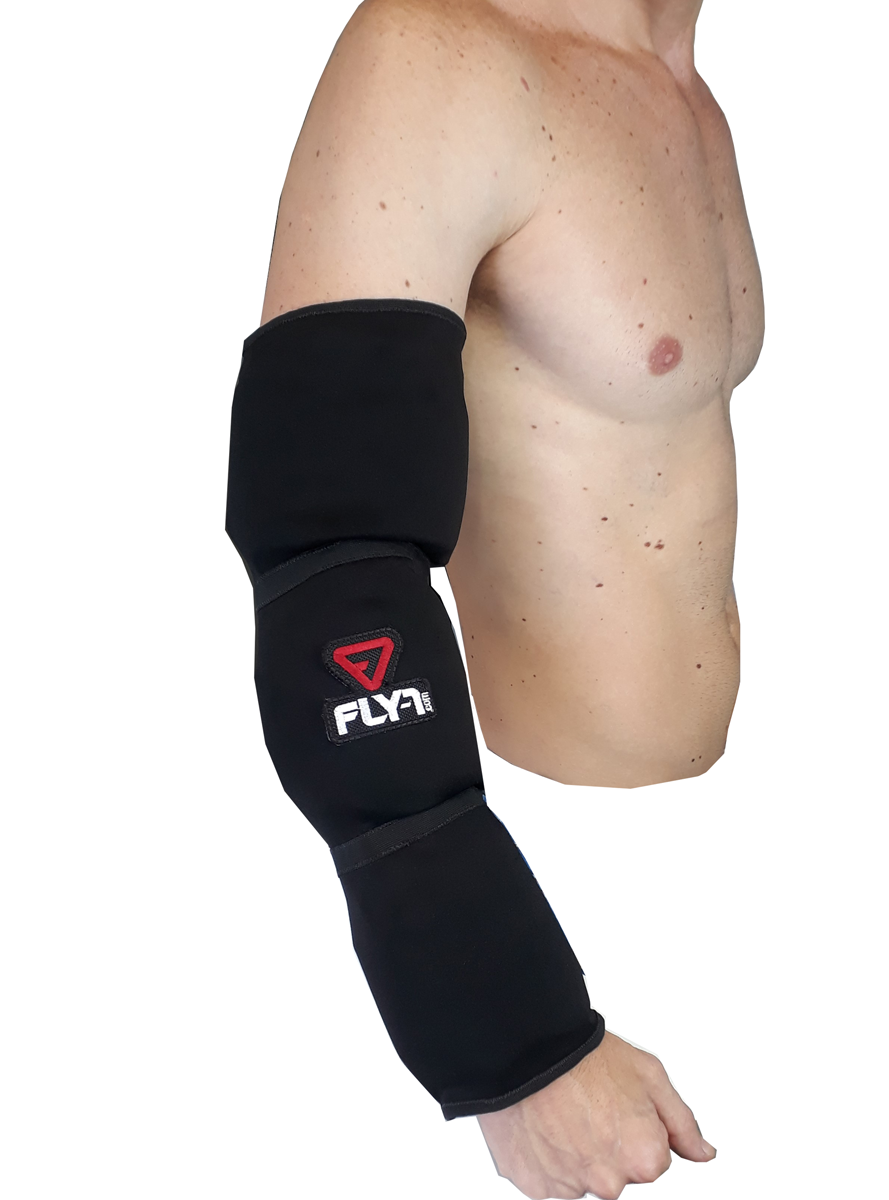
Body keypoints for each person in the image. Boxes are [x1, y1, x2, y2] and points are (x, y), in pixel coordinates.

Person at [234, 0, 762, 1195]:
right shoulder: (439, 57)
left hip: (737, 862)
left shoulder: (681, 82)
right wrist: (516, 1044)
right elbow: (332, 555)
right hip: (545, 906)